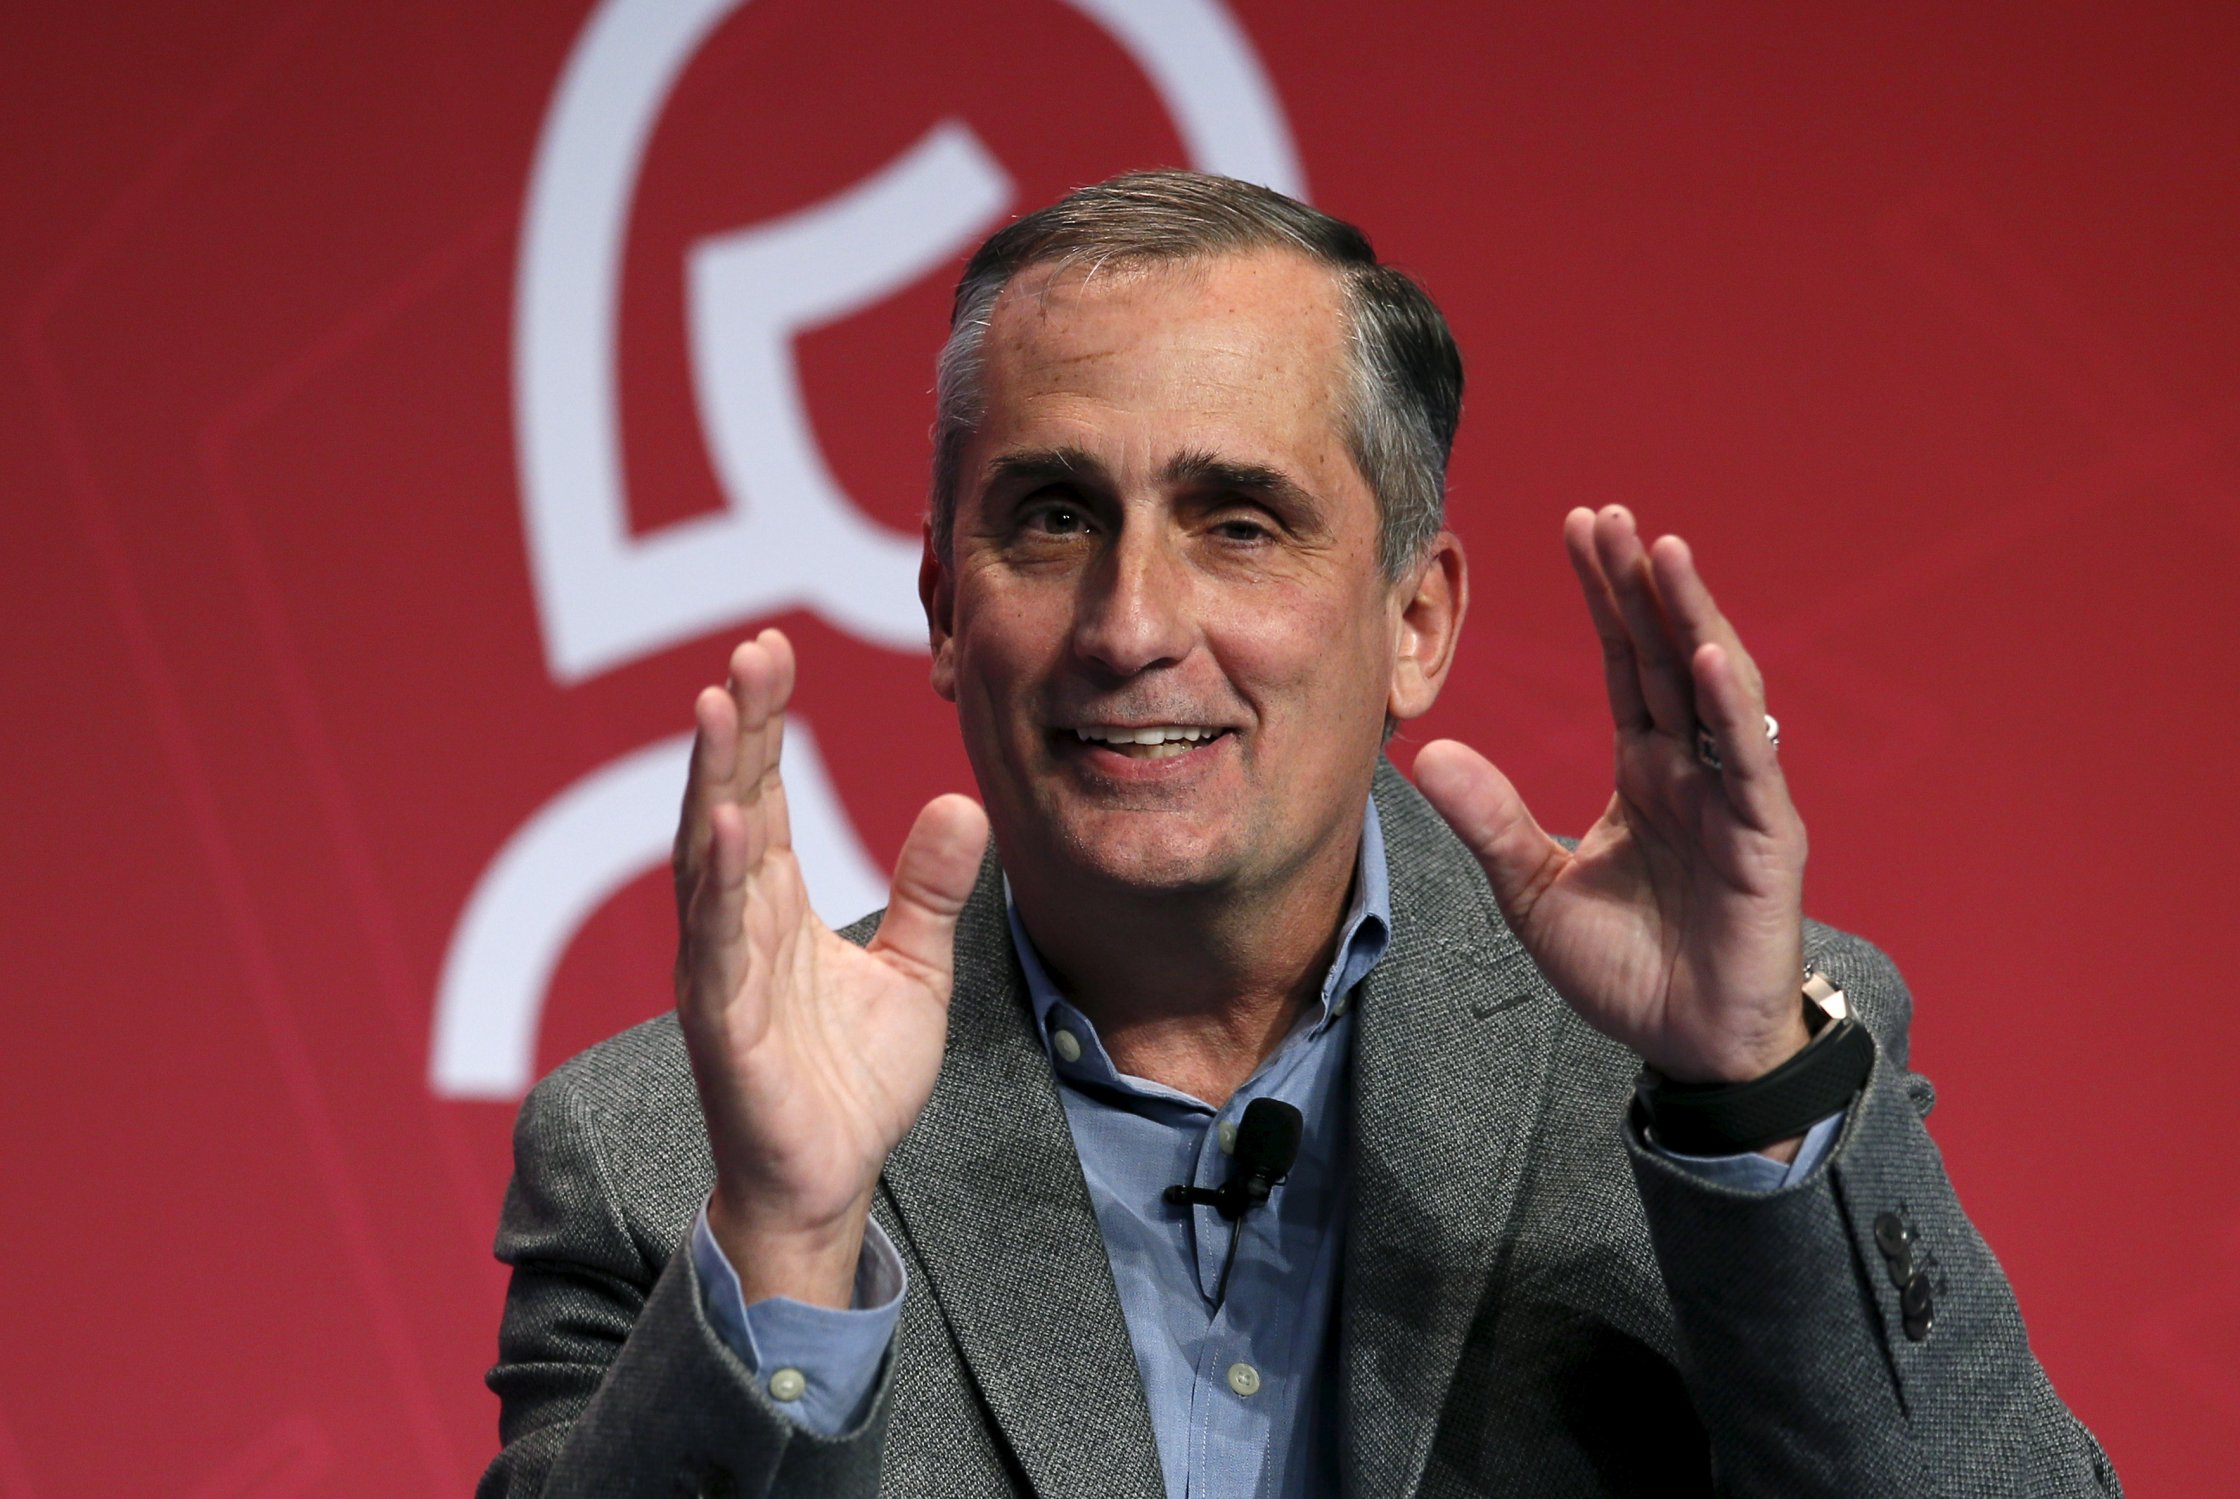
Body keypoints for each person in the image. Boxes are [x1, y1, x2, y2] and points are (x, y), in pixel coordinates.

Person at [479, 172, 2119, 1498]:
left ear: (1417, 620)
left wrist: (1749, 1091)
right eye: (1054, 518)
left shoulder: (1706, 1071)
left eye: (1240, 524)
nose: (1131, 624)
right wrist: (785, 1243)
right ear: (943, 611)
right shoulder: (666, 1158)